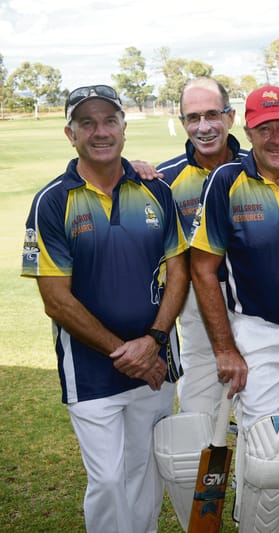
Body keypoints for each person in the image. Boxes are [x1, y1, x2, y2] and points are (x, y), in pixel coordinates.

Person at [21, 84, 189, 533]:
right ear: (69, 133)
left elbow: (179, 272)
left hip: (154, 364)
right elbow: (56, 300)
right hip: (91, 370)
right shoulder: (52, 201)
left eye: (109, 120)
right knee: (111, 480)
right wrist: (126, 353)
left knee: (145, 476)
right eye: (87, 123)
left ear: (123, 127)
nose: (100, 131)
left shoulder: (156, 190)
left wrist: (152, 343)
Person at [189, 84, 279, 532]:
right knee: (270, 458)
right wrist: (225, 348)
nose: (276, 138)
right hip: (257, 333)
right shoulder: (226, 181)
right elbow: (202, 269)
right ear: (248, 131)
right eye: (264, 129)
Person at [156, 77, 247, 417]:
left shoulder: (260, 168)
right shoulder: (163, 181)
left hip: (258, 303)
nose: (204, 126)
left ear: (230, 116)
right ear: (183, 123)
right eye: (193, 118)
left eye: (212, 115)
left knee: (268, 429)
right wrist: (130, 170)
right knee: (198, 417)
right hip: (196, 305)